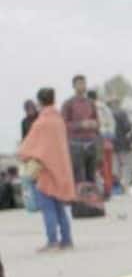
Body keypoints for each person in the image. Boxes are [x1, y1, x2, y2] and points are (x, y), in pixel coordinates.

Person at [18, 88, 76, 252]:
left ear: (40, 102)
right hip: (61, 169)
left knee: (48, 207)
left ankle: (52, 241)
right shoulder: (59, 120)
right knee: (60, 208)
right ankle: (67, 240)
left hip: (46, 171)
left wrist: (24, 156)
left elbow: (26, 148)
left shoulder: (41, 123)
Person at [60, 75, 100, 185]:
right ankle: (80, 199)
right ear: (74, 86)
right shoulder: (68, 104)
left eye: (84, 83)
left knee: (91, 176)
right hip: (76, 144)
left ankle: (92, 199)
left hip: (91, 142)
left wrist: (94, 124)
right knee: (79, 176)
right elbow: (63, 124)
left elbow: (97, 121)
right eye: (79, 83)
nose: (82, 86)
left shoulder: (90, 103)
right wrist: (80, 125)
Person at [109, 98, 132, 191]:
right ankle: (123, 184)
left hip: (112, 141)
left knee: (115, 164)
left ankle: (116, 184)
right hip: (122, 141)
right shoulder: (122, 113)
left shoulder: (109, 113)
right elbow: (128, 127)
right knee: (123, 164)